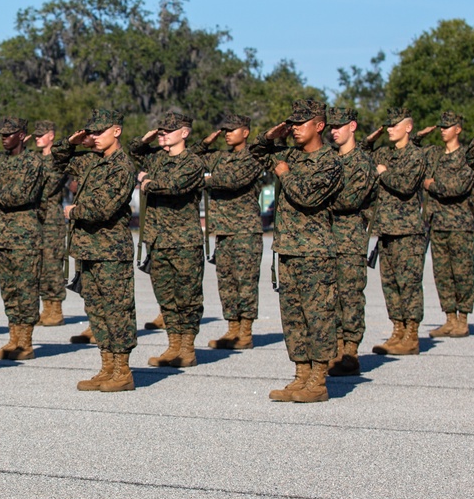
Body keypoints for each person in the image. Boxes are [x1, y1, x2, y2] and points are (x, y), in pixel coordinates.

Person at [249, 99, 343, 403]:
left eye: (301, 124)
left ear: (319, 125)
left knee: (318, 317)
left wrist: (285, 173)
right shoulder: (289, 153)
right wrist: (270, 136)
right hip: (288, 249)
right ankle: (301, 374)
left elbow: (307, 197)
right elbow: (255, 152)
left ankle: (318, 379)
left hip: (315, 252)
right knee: (293, 318)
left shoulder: (331, 162)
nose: (295, 130)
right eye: (292, 124)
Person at [52, 109, 137, 391]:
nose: (94, 137)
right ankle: (107, 367)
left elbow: (104, 208)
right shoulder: (90, 160)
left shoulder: (122, 166)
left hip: (111, 251)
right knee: (97, 310)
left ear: (116, 131)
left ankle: (123, 372)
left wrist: (74, 211)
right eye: (91, 132)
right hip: (88, 249)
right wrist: (71, 142)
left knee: (118, 311)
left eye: (99, 132)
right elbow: (56, 162)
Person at [129, 112, 206, 368]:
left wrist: (145, 181)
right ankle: (173, 345)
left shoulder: (192, 162)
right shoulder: (157, 158)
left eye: (168, 131)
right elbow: (133, 153)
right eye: (161, 131)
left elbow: (174, 186)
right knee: (166, 298)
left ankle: (187, 347)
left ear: (184, 133)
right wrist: (145, 139)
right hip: (158, 240)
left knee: (188, 298)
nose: (163, 135)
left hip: (184, 242)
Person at [0, 116, 47, 360]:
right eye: (2, 135)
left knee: (26, 291)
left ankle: (25, 343)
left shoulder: (33, 161)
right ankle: (13, 339)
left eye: (9, 134)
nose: (4, 139)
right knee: (10, 292)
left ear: (22, 136)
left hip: (25, 238)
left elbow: (23, 195)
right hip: (2, 237)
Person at [193, 113, 263, 350]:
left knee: (245, 282)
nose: (227, 134)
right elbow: (190, 159)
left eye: (232, 130)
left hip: (245, 230)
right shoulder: (220, 156)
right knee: (227, 282)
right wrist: (206, 142)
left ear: (245, 132)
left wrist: (207, 179)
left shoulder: (253, 156)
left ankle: (246, 332)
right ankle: (232, 329)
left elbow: (232, 180)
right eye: (224, 130)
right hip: (223, 230)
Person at [363, 108, 427, 355]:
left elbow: (406, 185)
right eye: (387, 126)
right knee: (389, 285)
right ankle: (397, 331)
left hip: (407, 232)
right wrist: (371, 137)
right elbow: (361, 152)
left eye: (394, 125)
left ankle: (411, 336)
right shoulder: (383, 153)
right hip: (386, 231)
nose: (389, 129)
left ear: (408, 128)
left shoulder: (416, 156)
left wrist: (384, 173)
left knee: (408, 284)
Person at [414, 112, 474, 338]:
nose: (442, 130)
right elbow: (411, 150)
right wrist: (420, 134)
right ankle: (449, 318)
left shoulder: (468, 157)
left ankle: (463, 320)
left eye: (447, 126)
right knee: (442, 273)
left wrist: (431, 185)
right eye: (440, 126)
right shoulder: (435, 154)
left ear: (458, 129)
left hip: (459, 224)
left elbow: (456, 188)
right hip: (437, 223)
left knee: (462, 273)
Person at [327, 107, 378, 376]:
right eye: (331, 127)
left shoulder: (362, 162)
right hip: (326, 240)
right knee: (329, 298)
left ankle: (350, 351)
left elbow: (349, 200)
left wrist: (316, 197)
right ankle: (334, 348)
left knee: (350, 298)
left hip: (349, 241)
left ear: (353, 126)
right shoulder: (328, 159)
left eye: (339, 126)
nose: (334, 131)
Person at [33, 120, 68, 327]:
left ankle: (56, 309)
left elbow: (50, 187)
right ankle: (45, 308)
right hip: (36, 217)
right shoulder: (34, 159)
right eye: (36, 135)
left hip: (52, 218)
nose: (37, 138)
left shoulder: (58, 160)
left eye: (41, 135)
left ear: (51, 135)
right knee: (40, 265)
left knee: (53, 264)